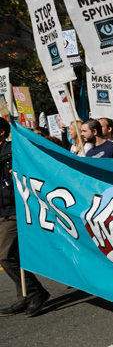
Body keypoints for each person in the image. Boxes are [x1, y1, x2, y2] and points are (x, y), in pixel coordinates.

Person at [0, 117, 50, 317]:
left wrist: (19, 173)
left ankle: (36, 292)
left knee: (4, 255)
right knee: (15, 255)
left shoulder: (16, 151)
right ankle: (24, 297)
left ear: (2, 132)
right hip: (1, 210)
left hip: (15, 209)